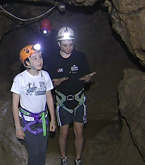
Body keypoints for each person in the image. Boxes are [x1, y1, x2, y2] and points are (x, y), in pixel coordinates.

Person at [46, 27, 96, 165]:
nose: (69, 48)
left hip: (78, 99)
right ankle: (63, 158)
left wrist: (87, 79)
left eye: (71, 44)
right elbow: (47, 82)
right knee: (64, 133)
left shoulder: (80, 57)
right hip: (62, 102)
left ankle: (78, 159)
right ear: (59, 45)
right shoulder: (53, 60)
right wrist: (54, 83)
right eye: (65, 45)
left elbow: (86, 74)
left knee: (79, 132)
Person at [11, 44, 57, 165]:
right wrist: (18, 127)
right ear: (26, 62)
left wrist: (53, 119)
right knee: (34, 154)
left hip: (43, 120)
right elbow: (15, 104)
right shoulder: (20, 79)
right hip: (27, 121)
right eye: (35, 58)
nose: (39, 60)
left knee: (42, 153)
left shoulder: (45, 76)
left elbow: (49, 97)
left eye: (40, 57)